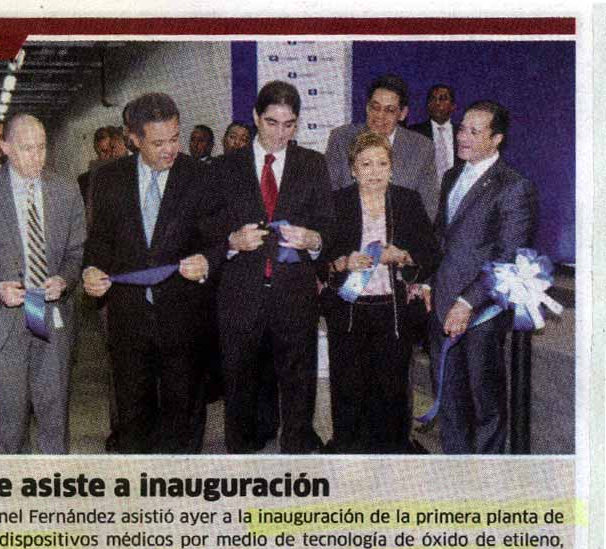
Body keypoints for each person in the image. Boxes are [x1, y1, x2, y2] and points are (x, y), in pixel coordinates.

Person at [82, 93, 217, 454]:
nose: (170, 149)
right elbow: (100, 240)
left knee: (184, 414)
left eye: (175, 138)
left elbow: (218, 239)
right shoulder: (108, 179)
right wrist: (91, 269)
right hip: (129, 319)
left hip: (185, 317)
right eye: (158, 143)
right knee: (132, 414)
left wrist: (207, 260)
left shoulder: (200, 176)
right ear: (134, 139)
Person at [208, 80, 334, 454]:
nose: (280, 133)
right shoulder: (223, 168)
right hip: (240, 294)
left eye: (289, 124)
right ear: (255, 117)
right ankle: (242, 452)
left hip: (294, 294)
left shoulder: (313, 164)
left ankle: (296, 447)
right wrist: (231, 242)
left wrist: (313, 239)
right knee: (239, 381)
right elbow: (205, 230)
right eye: (272, 122)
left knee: (299, 380)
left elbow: (329, 227)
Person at [0, 113, 86, 454]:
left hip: (51, 316)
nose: (37, 157)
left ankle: (54, 480)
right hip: (5, 320)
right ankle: (15, 481)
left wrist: (65, 279)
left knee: (54, 416)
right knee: (11, 421)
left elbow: (75, 252)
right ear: (5, 148)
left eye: (42, 147)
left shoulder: (66, 190)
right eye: (27, 149)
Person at [320, 132, 440, 453]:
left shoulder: (406, 200)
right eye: (366, 164)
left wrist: (402, 257)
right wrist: (343, 262)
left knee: (391, 388)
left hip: (393, 311)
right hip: (348, 310)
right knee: (348, 386)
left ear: (392, 167)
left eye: (382, 164)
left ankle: (391, 453)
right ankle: (349, 451)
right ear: (353, 169)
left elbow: (431, 253)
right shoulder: (337, 202)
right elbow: (319, 258)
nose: (374, 171)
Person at [430, 100, 537, 454]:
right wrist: (427, 282)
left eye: (474, 132)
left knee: (484, 403)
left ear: (497, 139)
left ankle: (488, 476)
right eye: (462, 128)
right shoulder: (451, 176)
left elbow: (508, 258)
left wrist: (467, 302)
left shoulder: (514, 186)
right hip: (442, 303)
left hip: (482, 313)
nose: (462, 137)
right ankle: (456, 470)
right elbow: (442, 238)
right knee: (449, 400)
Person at [324, 74, 439, 219]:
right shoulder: (341, 139)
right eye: (375, 107)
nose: (380, 116)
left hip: (401, 230)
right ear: (367, 107)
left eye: (389, 110)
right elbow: (328, 196)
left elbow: (429, 207)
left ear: (402, 114)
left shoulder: (422, 148)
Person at [409, 84, 461, 185]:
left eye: (442, 99)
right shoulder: (414, 133)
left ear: (453, 106)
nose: (437, 103)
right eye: (432, 99)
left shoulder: (462, 134)